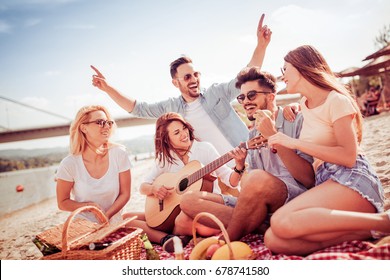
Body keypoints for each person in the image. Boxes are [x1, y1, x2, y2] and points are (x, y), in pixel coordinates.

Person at [91, 14, 271, 159]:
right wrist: (107, 88)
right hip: (219, 173)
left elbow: (245, 77)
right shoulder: (172, 108)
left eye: (195, 74)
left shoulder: (216, 93)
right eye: (187, 77)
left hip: (250, 157)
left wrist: (261, 46)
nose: (193, 79)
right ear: (176, 82)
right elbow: (138, 108)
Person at [264, 45, 388, 256]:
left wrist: (294, 143)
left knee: (280, 221)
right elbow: (310, 115)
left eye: (285, 69)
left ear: (302, 67)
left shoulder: (336, 101)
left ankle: (383, 221)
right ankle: (366, 231)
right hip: (326, 181)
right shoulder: (303, 104)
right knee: (273, 240)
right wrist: (291, 109)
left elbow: (348, 157)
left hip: (351, 177)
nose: (282, 75)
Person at [179, 66, 315, 241]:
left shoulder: (297, 120)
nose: (245, 102)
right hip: (262, 205)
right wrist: (239, 167)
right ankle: (262, 225)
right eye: (241, 97)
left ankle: (225, 241)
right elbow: (250, 190)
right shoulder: (252, 134)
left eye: (251, 95)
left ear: (271, 96)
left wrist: (273, 136)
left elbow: (309, 180)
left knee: (256, 178)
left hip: (293, 198)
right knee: (188, 200)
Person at [123, 112, 247, 250]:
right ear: (166, 139)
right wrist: (154, 189)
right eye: (177, 132)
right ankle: (166, 238)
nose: (184, 134)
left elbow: (231, 181)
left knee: (182, 220)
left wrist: (239, 166)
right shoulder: (165, 159)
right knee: (127, 218)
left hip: (203, 209)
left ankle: (172, 235)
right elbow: (143, 187)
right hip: (171, 213)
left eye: (184, 128)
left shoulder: (204, 148)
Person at [56, 105, 131, 224]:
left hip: (114, 222)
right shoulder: (69, 164)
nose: (107, 126)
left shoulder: (119, 154)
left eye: (108, 122)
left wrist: (106, 216)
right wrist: (89, 206)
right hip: (83, 225)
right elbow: (62, 202)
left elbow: (125, 193)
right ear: (83, 128)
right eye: (100, 122)